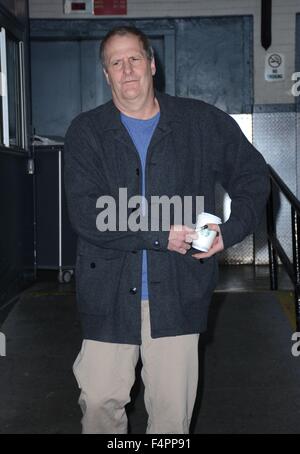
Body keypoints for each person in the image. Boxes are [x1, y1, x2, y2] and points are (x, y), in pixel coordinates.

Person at [64, 26, 270, 434]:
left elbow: (252, 175)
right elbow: (87, 214)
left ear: (152, 64)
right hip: (108, 293)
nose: (127, 70)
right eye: (116, 63)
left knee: (172, 416)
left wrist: (230, 233)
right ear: (106, 75)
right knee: (100, 403)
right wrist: (160, 236)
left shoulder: (200, 123)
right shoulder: (87, 133)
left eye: (135, 59)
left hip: (178, 291)